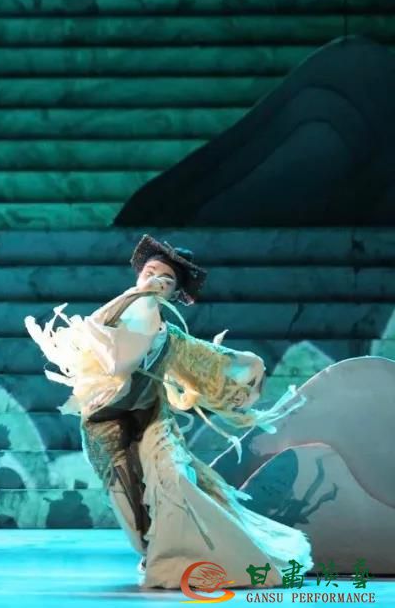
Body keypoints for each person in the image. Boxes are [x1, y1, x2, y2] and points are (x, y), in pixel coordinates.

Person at [26, 234, 312, 588]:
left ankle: (183, 562)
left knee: (174, 480)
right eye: (150, 272)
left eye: (166, 278)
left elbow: (207, 359)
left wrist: (244, 370)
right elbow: (113, 362)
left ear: (175, 293)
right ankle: (154, 552)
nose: (156, 280)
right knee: (131, 503)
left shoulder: (170, 335)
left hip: (151, 418)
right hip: (106, 425)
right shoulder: (111, 316)